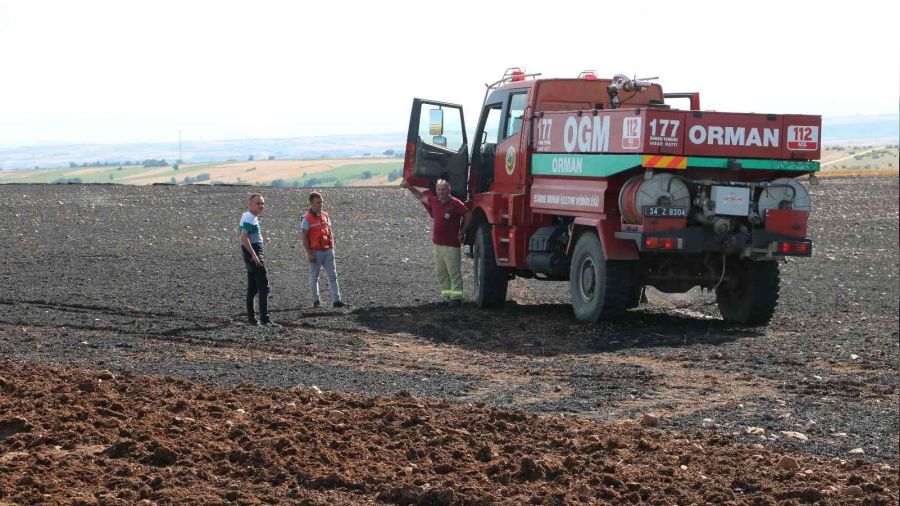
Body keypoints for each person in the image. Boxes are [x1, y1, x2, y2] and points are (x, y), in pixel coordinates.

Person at [401, 179, 471, 307]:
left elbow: (468, 215)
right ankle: (446, 297)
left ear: (449, 190)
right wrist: (409, 187)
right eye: (439, 189)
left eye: (444, 189)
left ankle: (456, 298)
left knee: (453, 272)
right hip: (438, 244)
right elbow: (420, 196)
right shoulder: (434, 201)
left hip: (451, 245)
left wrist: (462, 232)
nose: (441, 192)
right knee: (441, 273)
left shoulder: (456, 203)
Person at [299, 191, 344, 308]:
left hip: (328, 250)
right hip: (315, 251)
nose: (321, 204)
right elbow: (304, 238)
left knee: (333, 275)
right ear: (311, 203)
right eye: (318, 202)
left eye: (321, 202)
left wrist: (332, 245)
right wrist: (309, 253)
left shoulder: (325, 215)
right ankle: (316, 301)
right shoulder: (306, 219)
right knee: (314, 277)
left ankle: (337, 300)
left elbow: (329, 231)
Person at [239, 193, 278, 326]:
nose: (261, 206)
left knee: (252, 288)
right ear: (250, 204)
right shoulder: (249, 217)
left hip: (251, 254)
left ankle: (252, 319)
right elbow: (243, 237)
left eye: (262, 203)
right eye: (258, 203)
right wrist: (255, 255)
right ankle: (264, 319)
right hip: (254, 254)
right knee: (264, 287)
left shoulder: (249, 216)